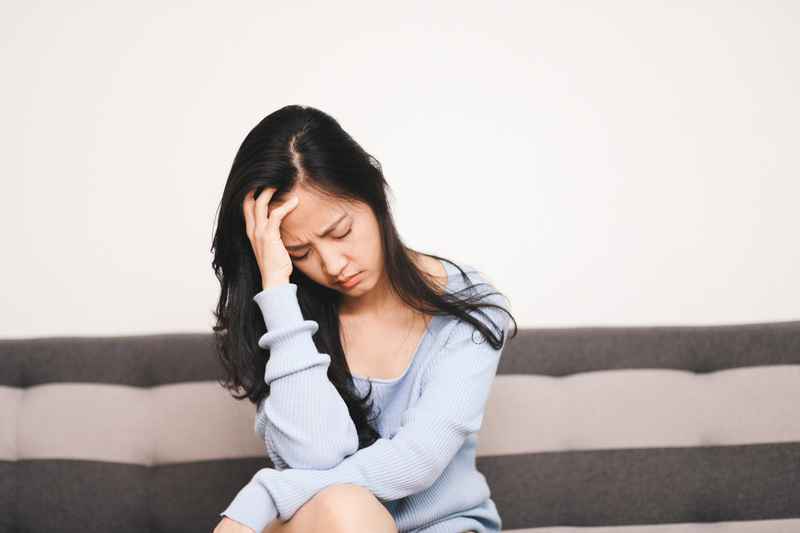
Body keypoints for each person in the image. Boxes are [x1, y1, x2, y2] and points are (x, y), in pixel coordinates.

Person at [211, 105, 513, 533]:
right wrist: (277, 291)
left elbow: (419, 460)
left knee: (343, 510)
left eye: (340, 232)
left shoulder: (468, 304)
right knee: (342, 509)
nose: (332, 264)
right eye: (300, 253)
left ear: (374, 194)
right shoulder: (282, 319)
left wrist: (269, 493)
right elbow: (315, 455)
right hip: (331, 525)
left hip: (444, 527)